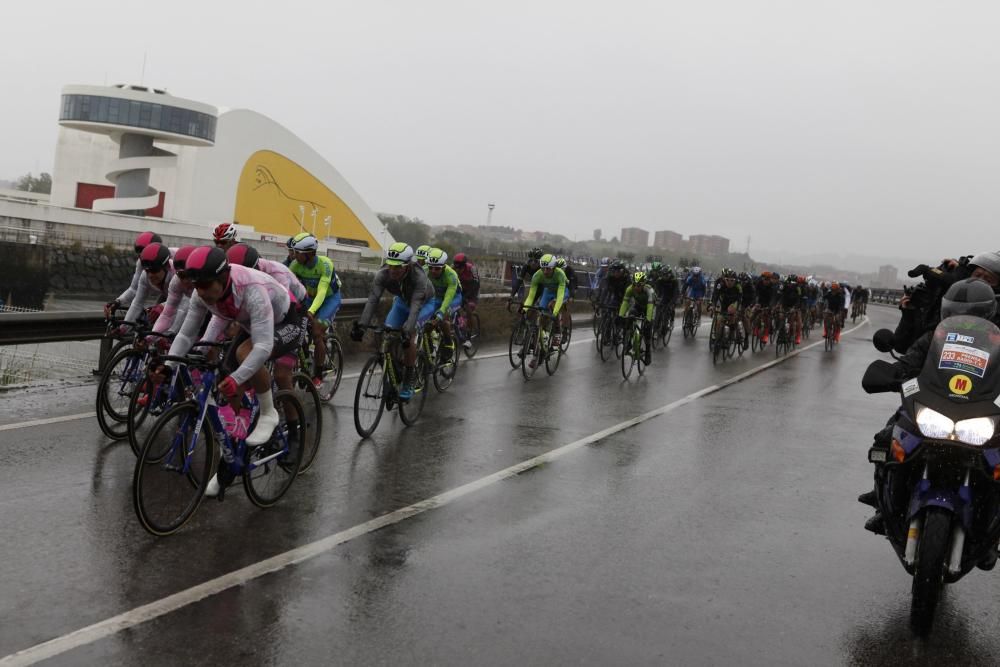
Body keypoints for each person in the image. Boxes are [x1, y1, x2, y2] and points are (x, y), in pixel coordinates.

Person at [860, 278, 1000, 555]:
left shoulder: (997, 342)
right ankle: (882, 503)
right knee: (888, 437)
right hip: (934, 405)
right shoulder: (934, 337)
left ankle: (993, 533)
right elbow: (910, 361)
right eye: (958, 311)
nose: (964, 318)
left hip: (980, 412)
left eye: (971, 313)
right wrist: (895, 375)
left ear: (987, 313)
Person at [163, 246, 303, 496]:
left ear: (223, 278)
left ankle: (270, 414)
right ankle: (233, 455)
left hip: (287, 319)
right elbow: (186, 334)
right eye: (197, 286)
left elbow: (263, 346)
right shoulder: (203, 292)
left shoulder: (251, 289)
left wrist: (238, 379)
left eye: (206, 286)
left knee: (247, 356)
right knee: (226, 375)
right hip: (250, 323)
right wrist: (167, 366)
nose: (201, 292)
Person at [351, 243, 435, 400]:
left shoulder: (419, 277)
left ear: (408, 265)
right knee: (387, 334)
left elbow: (415, 308)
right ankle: (394, 370)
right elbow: (373, 299)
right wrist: (362, 326)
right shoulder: (383, 274)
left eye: (398, 267)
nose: (393, 270)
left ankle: (408, 381)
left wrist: (407, 331)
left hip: (423, 304)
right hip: (402, 303)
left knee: (409, 336)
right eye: (390, 265)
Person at [287, 233, 342, 387]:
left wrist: (311, 311)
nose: (294, 255)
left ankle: (318, 375)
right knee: (297, 326)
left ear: (310, 253)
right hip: (310, 297)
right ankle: (305, 360)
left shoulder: (325, 264)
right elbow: (287, 288)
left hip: (329, 299)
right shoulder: (295, 265)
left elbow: (322, 291)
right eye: (294, 251)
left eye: (297, 252)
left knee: (317, 332)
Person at [105, 231, 162, 318]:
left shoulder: (170, 261)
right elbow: (133, 289)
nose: (142, 258)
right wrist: (118, 302)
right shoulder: (141, 262)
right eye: (139, 255)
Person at [521, 253, 568, 359]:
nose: (545, 272)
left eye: (548, 269)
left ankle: (557, 335)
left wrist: (554, 313)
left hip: (561, 291)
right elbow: (531, 296)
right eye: (543, 269)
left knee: (554, 307)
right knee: (541, 311)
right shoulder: (537, 275)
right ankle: (542, 336)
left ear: (554, 268)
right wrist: (525, 309)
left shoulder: (560, 274)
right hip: (548, 292)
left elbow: (560, 295)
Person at [425, 248, 463, 362]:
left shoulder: (451, 275)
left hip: (453, 298)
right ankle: (430, 347)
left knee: (443, 318)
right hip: (437, 297)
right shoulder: (425, 270)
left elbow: (448, 297)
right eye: (430, 267)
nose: (433, 271)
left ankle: (448, 342)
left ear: (444, 266)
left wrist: (441, 312)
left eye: (437, 268)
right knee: (426, 324)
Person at [618, 271, 655, 365]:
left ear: (644, 284)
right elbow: (625, 303)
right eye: (634, 285)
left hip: (650, 307)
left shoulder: (649, 290)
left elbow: (650, 306)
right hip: (638, 306)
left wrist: (648, 319)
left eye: (639, 285)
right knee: (630, 316)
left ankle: (648, 352)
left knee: (647, 330)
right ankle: (628, 343)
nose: (636, 287)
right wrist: (620, 315)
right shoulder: (630, 289)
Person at [777, 274, 803, 345]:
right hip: (785, 304)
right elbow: (780, 295)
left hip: (794, 305)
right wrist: (779, 305)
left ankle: (796, 336)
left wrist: (794, 307)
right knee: (781, 317)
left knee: (795, 320)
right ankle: (781, 334)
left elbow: (799, 299)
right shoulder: (784, 286)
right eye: (790, 282)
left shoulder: (798, 288)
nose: (792, 284)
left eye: (794, 282)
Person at [555, 257, 577, 333]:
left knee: (565, 307)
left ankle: (565, 329)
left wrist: (571, 296)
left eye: (562, 269)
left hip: (571, 286)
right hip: (560, 287)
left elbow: (572, 286)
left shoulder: (570, 271)